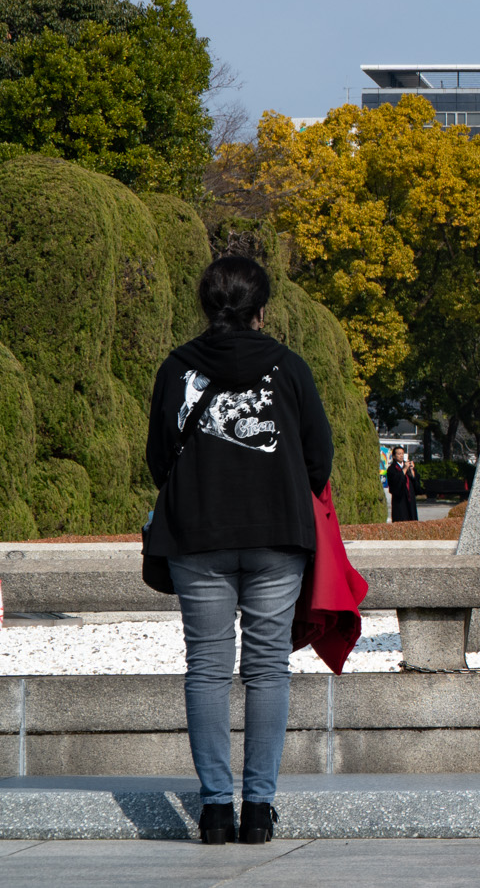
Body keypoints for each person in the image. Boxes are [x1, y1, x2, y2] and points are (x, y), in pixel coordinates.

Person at [143, 255, 333, 846]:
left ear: (205, 304)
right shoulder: (289, 367)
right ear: (261, 306)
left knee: (206, 667)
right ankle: (259, 810)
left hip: (198, 537)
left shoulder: (177, 369)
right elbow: (319, 457)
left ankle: (215, 811)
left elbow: (157, 460)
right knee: (267, 667)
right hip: (277, 535)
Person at [386, 447, 419, 521]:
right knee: (401, 518)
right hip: (400, 498)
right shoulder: (392, 469)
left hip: (410, 496)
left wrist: (412, 470)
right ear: (394, 456)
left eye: (402, 454)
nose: (401, 456)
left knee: (412, 518)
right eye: (399, 454)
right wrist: (404, 469)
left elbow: (415, 481)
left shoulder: (407, 465)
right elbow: (395, 482)